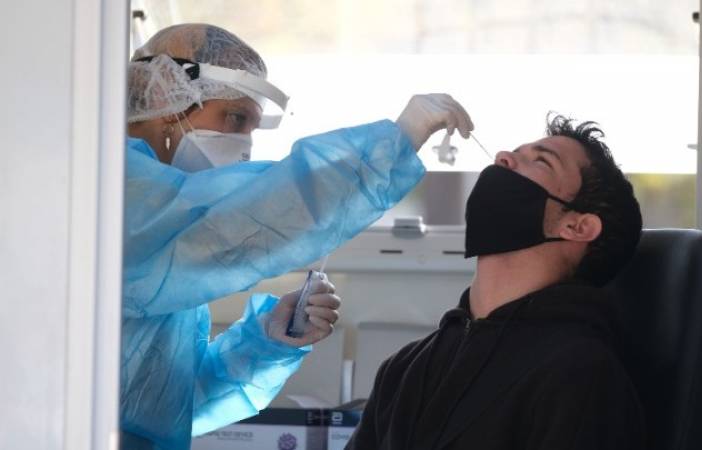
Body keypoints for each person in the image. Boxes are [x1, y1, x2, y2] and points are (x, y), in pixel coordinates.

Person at [123, 23, 473, 450]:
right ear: (166, 95)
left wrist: (266, 342)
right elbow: (245, 216)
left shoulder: (166, 232)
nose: (244, 144)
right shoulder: (120, 194)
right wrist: (391, 147)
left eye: (253, 128)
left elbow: (170, 404)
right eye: (235, 118)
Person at [346, 115, 645, 450]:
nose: (503, 157)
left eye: (541, 161)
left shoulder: (581, 375)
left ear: (578, 227)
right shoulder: (404, 367)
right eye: (515, 151)